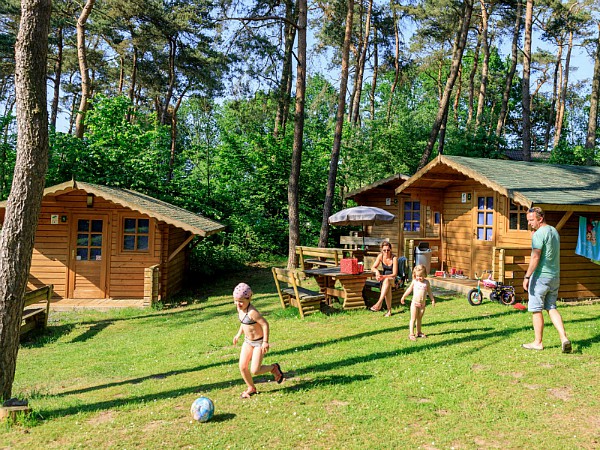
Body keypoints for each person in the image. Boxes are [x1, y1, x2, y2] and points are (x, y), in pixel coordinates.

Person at [522, 207, 572, 353]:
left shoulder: (538, 235)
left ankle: (538, 342)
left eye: (531, 220)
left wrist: (527, 276)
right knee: (551, 307)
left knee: (536, 309)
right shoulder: (554, 231)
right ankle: (564, 338)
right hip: (554, 276)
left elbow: (535, 257)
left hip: (540, 277)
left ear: (540, 218)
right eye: (528, 220)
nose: (529, 223)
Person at [232, 282, 284, 398]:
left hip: (258, 343)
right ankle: (251, 387)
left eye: (241, 301)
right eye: (235, 300)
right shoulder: (239, 309)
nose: (238, 304)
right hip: (247, 341)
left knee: (255, 370)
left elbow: (265, 324)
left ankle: (273, 368)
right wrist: (238, 334)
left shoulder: (252, 312)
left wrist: (265, 342)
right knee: (242, 366)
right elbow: (243, 323)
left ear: (249, 298)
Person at [400, 264, 435, 341]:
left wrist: (432, 299)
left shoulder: (426, 283)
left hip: (422, 304)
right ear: (415, 275)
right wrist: (403, 297)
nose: (419, 278)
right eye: (417, 276)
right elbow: (409, 289)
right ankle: (411, 333)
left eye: (421, 276)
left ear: (425, 274)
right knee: (413, 318)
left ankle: (418, 332)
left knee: (419, 318)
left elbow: (429, 292)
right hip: (414, 303)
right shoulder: (415, 282)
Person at [369, 241, 399, 317]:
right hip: (385, 280)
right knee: (387, 286)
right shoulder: (380, 256)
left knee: (387, 280)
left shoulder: (394, 258)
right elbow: (373, 267)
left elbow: (395, 274)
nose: (386, 252)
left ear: (391, 249)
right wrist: (376, 272)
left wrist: (383, 276)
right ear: (382, 250)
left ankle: (379, 303)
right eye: (384, 250)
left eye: (388, 250)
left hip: (394, 280)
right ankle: (389, 311)